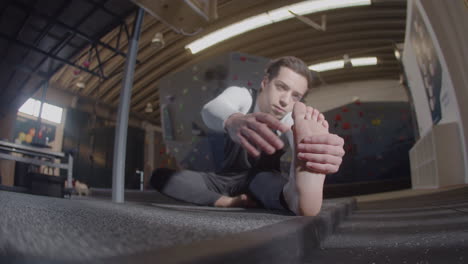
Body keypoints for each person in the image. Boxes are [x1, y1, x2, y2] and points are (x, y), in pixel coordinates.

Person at [151, 56, 345, 216]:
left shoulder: (289, 119)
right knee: (161, 177)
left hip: (260, 178)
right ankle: (226, 202)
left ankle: (295, 195)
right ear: (265, 82)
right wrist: (233, 120)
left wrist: (313, 154)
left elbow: (296, 136)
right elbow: (211, 109)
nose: (286, 101)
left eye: (296, 96)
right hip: (222, 181)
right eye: (281, 87)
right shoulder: (243, 96)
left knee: (274, 184)